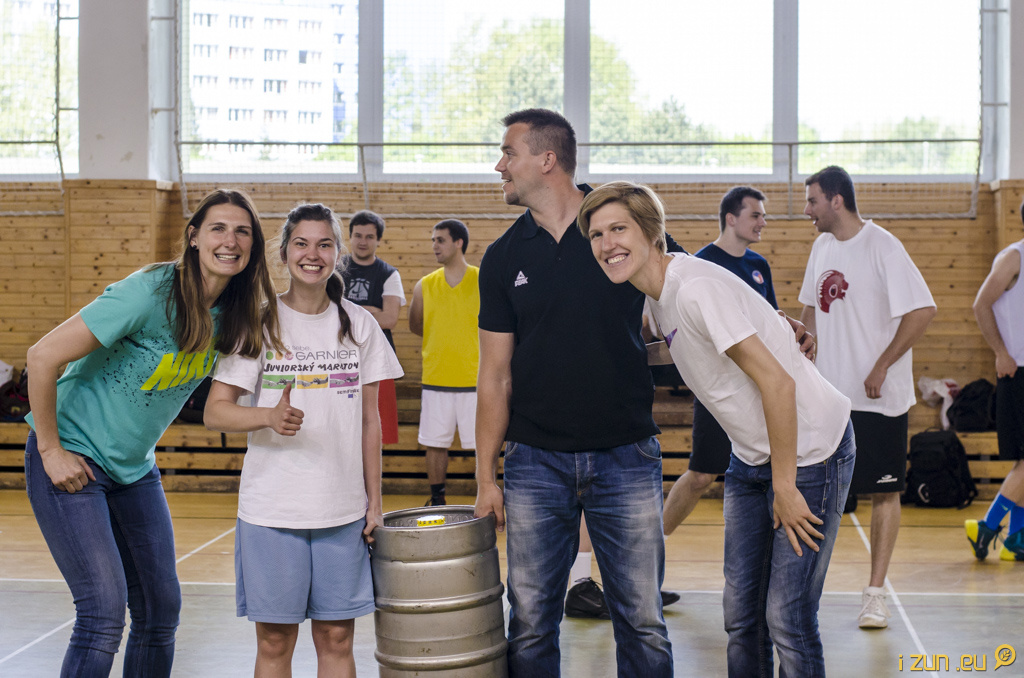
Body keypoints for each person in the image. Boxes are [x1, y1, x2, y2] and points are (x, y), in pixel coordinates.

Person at [581, 180, 854, 678]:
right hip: (750, 456)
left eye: (618, 229)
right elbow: (697, 337)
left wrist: (785, 486)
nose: (606, 244)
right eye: (597, 234)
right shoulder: (658, 293)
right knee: (741, 617)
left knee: (787, 618)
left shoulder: (693, 288)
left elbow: (778, 383)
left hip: (812, 452)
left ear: (651, 232)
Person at [23, 188, 281, 677]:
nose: (230, 241)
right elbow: (41, 356)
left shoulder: (237, 313)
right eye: (218, 228)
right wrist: (50, 449)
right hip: (73, 456)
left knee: (161, 612)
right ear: (194, 237)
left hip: (133, 468)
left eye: (242, 231)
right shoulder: (150, 293)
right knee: (102, 614)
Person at [474, 108, 674, 677]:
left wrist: (776, 324)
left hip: (627, 455)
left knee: (642, 620)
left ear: (547, 159)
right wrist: (486, 477)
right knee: (531, 622)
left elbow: (699, 296)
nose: (499, 166)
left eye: (508, 153)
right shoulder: (504, 257)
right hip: (535, 462)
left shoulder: (622, 228)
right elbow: (495, 374)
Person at [204, 203, 403, 676]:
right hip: (272, 512)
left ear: (337, 254)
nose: (313, 254)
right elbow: (215, 411)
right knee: (275, 641)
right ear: (284, 252)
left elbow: (371, 423)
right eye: (301, 244)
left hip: (342, 512)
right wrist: (267, 417)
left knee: (337, 637)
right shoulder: (258, 321)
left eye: (324, 244)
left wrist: (374, 505)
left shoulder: (360, 324)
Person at [798, 165, 936, 628]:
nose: (807, 210)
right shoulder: (821, 247)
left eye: (813, 201)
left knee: (884, 492)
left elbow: (923, 310)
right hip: (830, 397)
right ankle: (802, 591)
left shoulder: (883, 246)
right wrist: (799, 355)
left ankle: (875, 594)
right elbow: (809, 311)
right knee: (815, 492)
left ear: (836, 200)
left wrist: (882, 364)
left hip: (878, 397)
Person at [663, 186, 779, 535]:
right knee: (701, 475)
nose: (762, 222)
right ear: (731, 218)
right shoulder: (701, 264)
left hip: (759, 387)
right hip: (719, 389)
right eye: (755, 215)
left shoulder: (759, 265)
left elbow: (771, 320)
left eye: (763, 216)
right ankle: (654, 546)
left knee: (769, 473)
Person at [965, 201, 1024, 561]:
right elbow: (980, 304)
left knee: (1023, 465)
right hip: (1018, 372)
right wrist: (1001, 352)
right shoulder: (1014, 257)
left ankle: (1015, 539)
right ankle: (986, 528)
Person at [408, 219, 479, 507]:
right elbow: (416, 325)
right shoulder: (424, 285)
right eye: (433, 240)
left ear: (458, 242)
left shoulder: (483, 280)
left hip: (476, 380)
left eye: (440, 240)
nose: (434, 246)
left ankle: (485, 495)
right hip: (436, 378)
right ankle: (437, 498)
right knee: (434, 443)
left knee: (483, 444)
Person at [339, 209, 406, 445]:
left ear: (378, 240)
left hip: (376, 358)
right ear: (350, 237)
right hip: (340, 356)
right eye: (358, 235)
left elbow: (389, 319)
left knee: (375, 431)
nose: (363, 241)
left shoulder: (389, 274)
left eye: (369, 237)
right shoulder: (336, 269)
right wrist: (371, 310)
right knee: (341, 427)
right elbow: (327, 312)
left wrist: (350, 310)